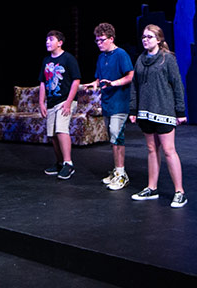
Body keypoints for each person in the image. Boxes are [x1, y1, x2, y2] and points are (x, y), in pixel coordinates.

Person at [128, 25, 188, 208]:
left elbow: (177, 85)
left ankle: (180, 192)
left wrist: (180, 111)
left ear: (159, 39)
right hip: (145, 112)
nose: (146, 40)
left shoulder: (167, 59)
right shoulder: (140, 59)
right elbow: (135, 86)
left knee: (169, 150)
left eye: (150, 37)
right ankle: (151, 188)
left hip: (163, 111)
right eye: (144, 37)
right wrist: (133, 110)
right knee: (152, 149)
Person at [82, 23, 134, 191]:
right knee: (112, 139)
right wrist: (93, 84)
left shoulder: (121, 54)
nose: (99, 43)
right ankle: (116, 170)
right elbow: (99, 78)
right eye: (96, 40)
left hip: (119, 102)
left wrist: (114, 83)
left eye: (102, 40)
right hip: (107, 103)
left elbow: (130, 75)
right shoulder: (101, 57)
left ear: (111, 39)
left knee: (117, 137)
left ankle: (121, 174)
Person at [38, 30, 81, 180]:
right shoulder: (46, 60)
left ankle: (68, 163)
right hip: (51, 101)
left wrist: (69, 102)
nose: (47, 42)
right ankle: (59, 162)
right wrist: (41, 102)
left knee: (61, 130)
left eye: (51, 39)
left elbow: (76, 80)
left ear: (60, 42)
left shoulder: (68, 59)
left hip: (65, 100)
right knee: (52, 134)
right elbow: (43, 82)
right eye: (46, 40)